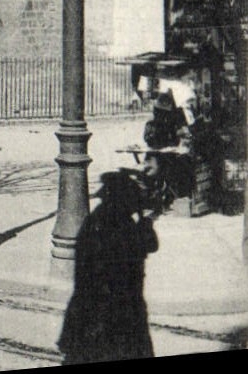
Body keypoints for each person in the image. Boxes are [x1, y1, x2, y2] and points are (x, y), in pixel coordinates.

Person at [58, 171, 157, 364]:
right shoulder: (112, 224)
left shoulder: (111, 219)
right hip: (108, 314)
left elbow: (149, 245)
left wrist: (144, 221)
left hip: (111, 310)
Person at [143, 88, 190, 210]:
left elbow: (180, 133)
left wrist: (180, 133)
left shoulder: (172, 117)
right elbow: (148, 138)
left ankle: (165, 196)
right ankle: (158, 197)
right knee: (157, 171)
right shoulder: (153, 122)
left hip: (166, 154)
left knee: (170, 169)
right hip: (157, 154)